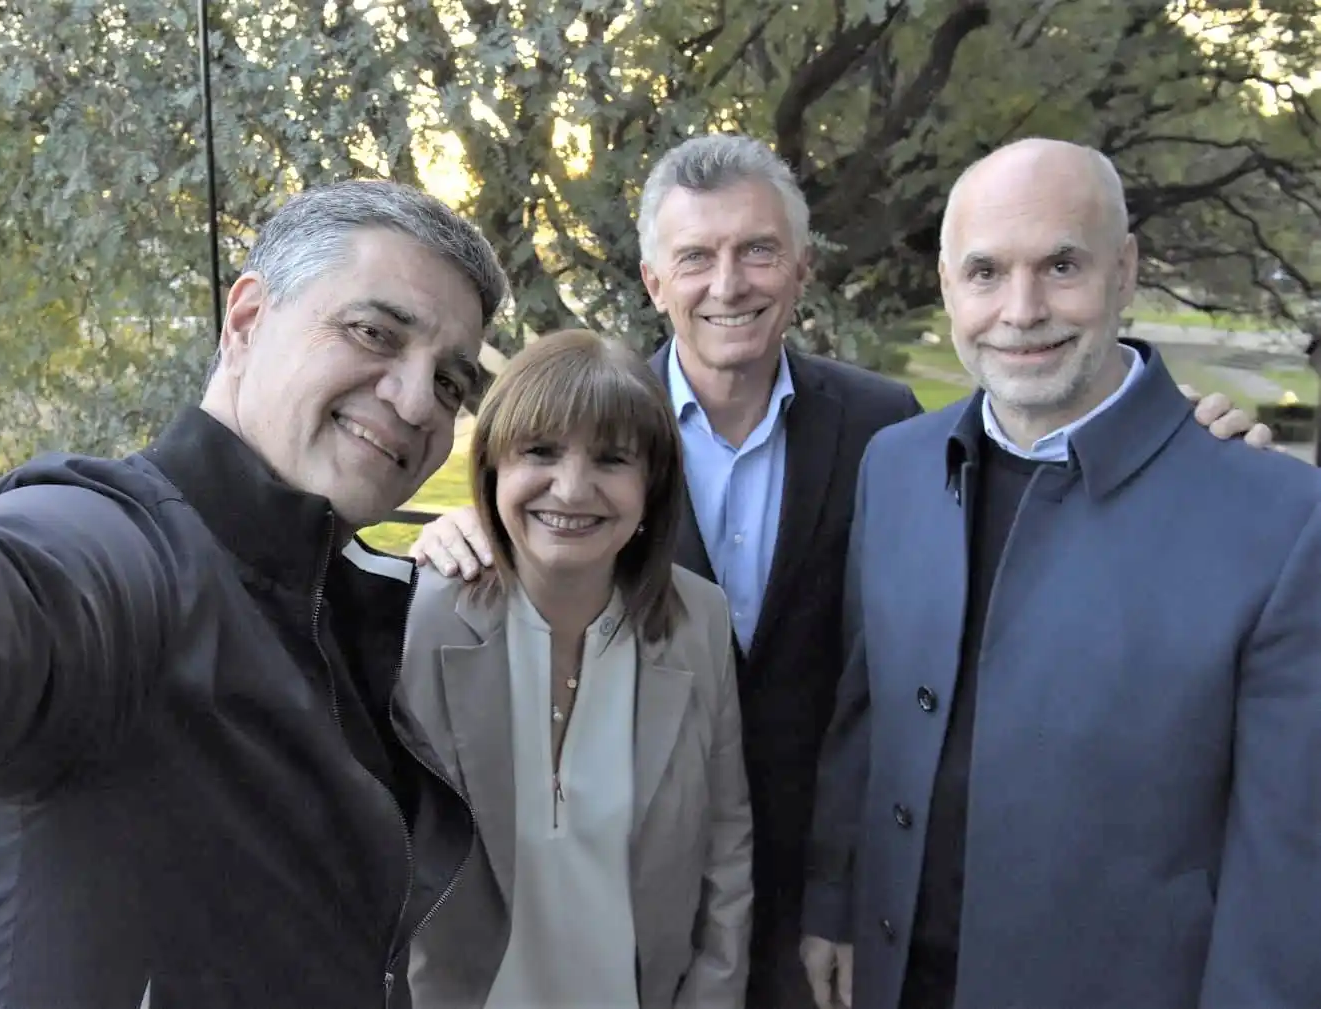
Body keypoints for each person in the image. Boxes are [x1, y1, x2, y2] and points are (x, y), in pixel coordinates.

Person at [407, 133, 1270, 1008]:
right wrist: (477, 526)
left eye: (758, 251)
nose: (729, 282)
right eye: (696, 257)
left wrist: (1183, 447)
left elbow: (884, 681)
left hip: (825, 894)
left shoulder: (884, 430)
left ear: (801, 267)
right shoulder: (604, 439)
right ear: (653, 281)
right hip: (634, 891)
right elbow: (545, 518)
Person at [0, 180, 507, 1008]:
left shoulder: (328, 606)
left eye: (448, 382)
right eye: (373, 332)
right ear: (247, 320)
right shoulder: (118, 550)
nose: (414, 402)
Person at [801, 138, 1321, 1009]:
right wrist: (836, 900)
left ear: (1125, 271)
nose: (1022, 308)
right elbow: (869, 717)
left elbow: (1290, 872)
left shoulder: (1278, 518)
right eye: (985, 272)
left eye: (1062, 265)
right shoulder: (895, 465)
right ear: (945, 285)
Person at [400, 329, 752, 1008]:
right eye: (540, 450)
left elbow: (726, 845)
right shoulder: (422, 617)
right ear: (494, 464)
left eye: (612, 458)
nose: (572, 487)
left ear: (652, 484)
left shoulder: (698, 620)